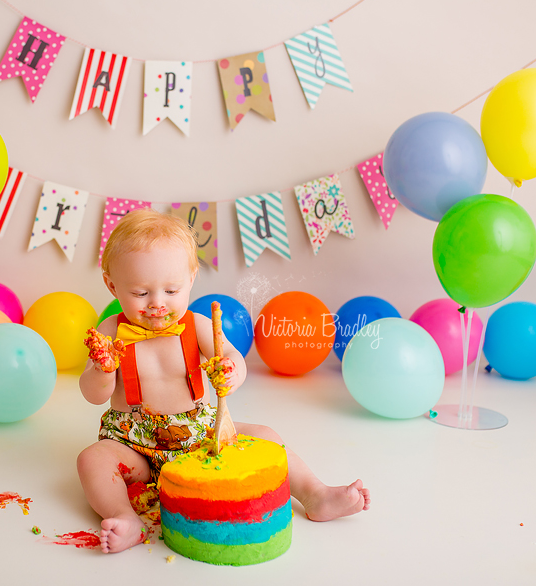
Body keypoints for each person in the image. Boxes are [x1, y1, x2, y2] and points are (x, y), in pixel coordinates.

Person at [78, 209, 370, 554]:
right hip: (133, 443)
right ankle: (124, 517)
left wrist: (231, 370)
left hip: (201, 435)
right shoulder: (110, 333)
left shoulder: (198, 325)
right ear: (112, 285)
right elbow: (94, 395)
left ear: (191, 278)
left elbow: (235, 359)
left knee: (267, 436)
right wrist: (102, 370)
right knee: (92, 459)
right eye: (141, 294)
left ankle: (315, 494)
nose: (157, 304)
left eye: (171, 290)